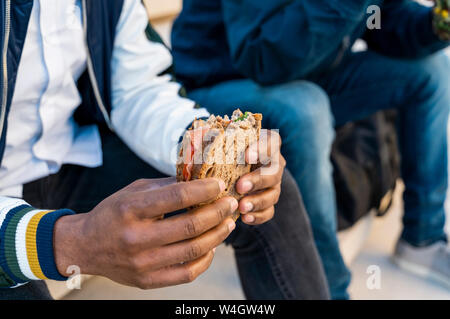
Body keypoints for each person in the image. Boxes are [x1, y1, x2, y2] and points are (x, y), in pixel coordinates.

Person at [0, 0, 330, 300]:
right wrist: (64, 242)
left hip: (68, 157)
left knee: (259, 183)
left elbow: (136, 86)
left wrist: (202, 144)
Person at [171, 0, 450, 299]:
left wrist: (434, 24)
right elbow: (261, 56)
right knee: (307, 109)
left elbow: (384, 22)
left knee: (431, 70)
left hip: (305, 70)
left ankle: (422, 238)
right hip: (219, 80)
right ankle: (328, 290)